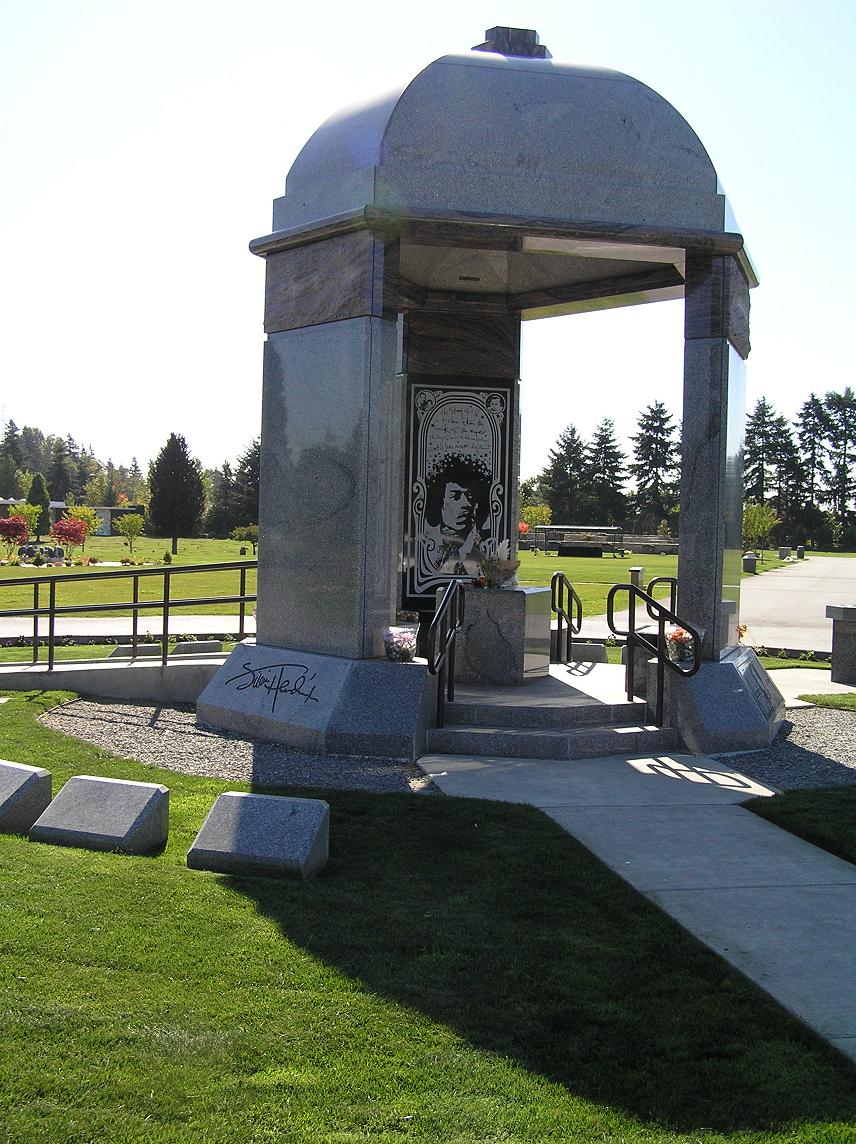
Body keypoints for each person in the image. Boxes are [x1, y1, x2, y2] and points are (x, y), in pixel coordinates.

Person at [422, 459, 490, 575]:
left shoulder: (485, 542)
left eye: (469, 496)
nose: (466, 504)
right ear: (440, 502)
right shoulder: (423, 540)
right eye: (456, 496)